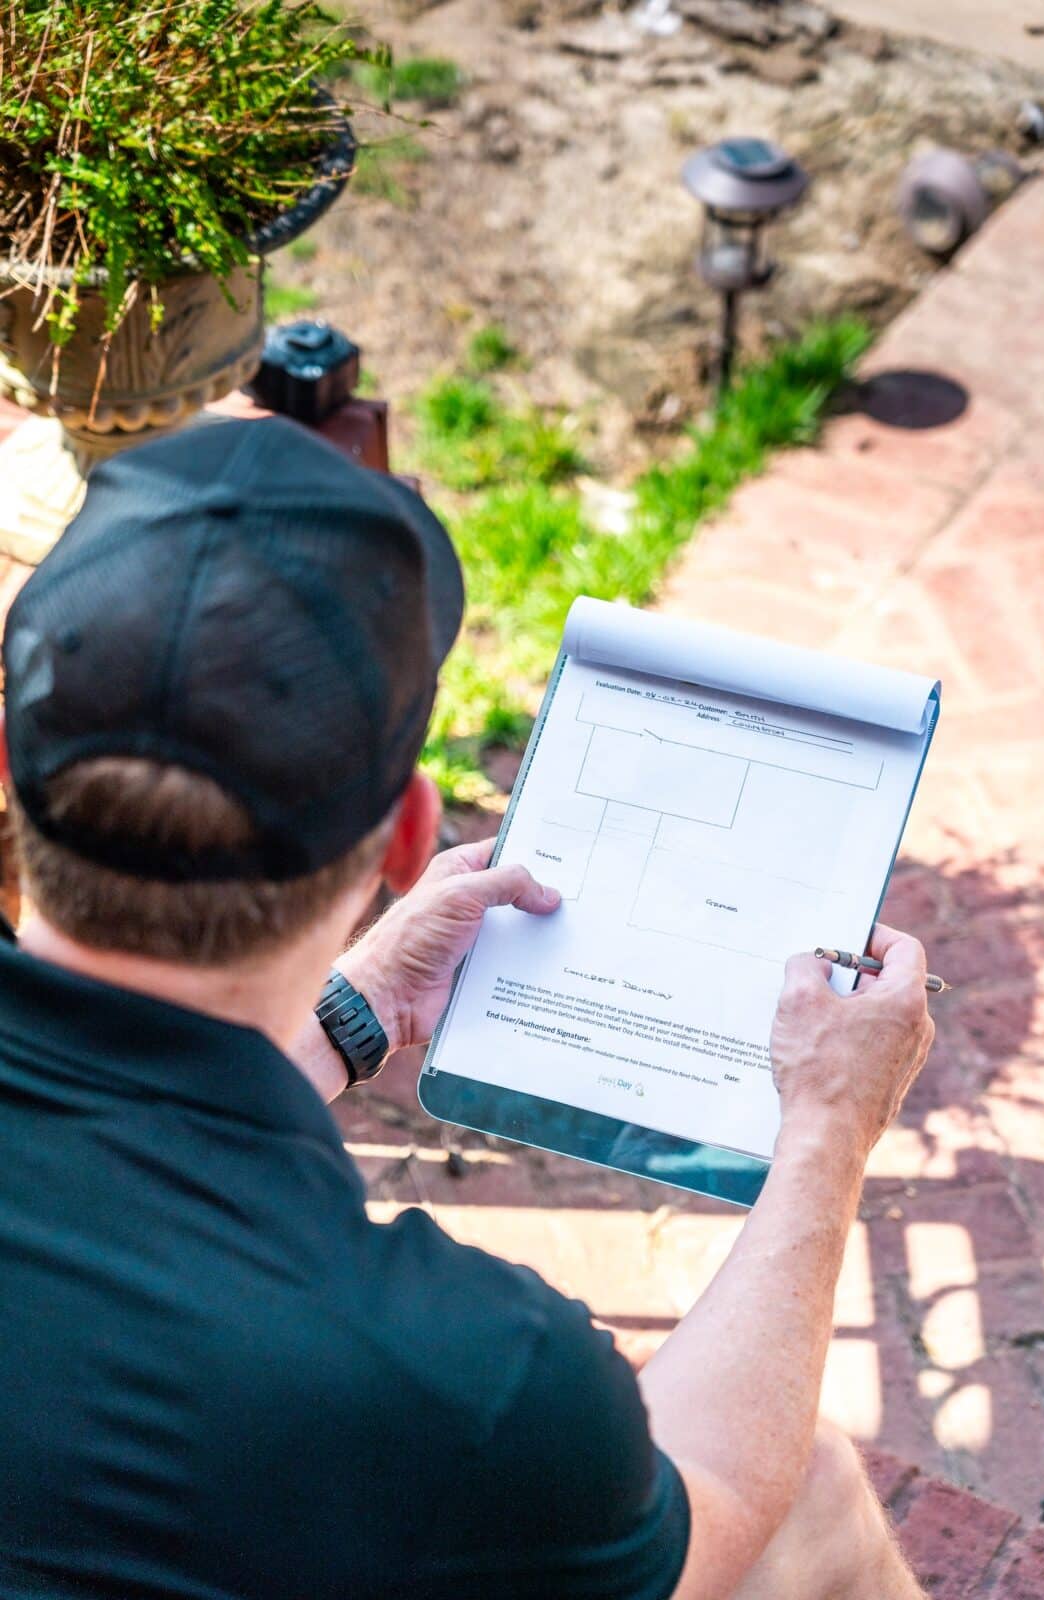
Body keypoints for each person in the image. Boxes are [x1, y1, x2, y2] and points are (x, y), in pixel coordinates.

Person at [0, 417, 933, 1600]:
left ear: (4, 761)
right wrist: (824, 1129)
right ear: (403, 834)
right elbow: (712, 1511)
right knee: (798, 1486)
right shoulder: (463, 1377)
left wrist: (354, 1014)